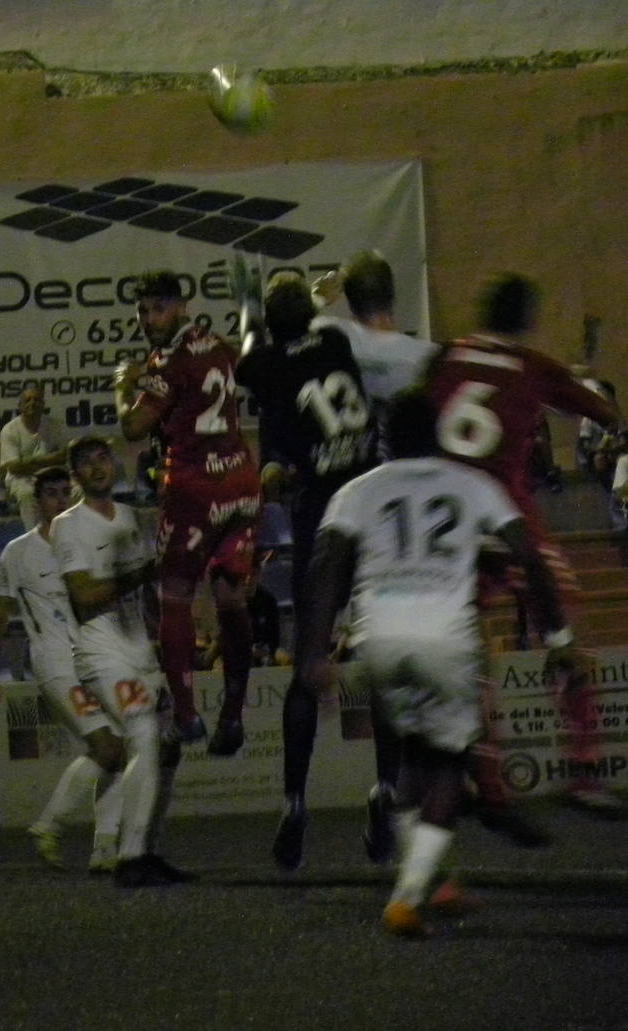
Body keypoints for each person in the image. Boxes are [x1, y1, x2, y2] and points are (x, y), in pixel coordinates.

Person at [296, 390, 590, 937]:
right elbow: (529, 557)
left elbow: (326, 567)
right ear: (438, 435)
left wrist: (313, 651)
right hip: (445, 637)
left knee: (413, 757)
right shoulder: (473, 484)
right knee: (450, 765)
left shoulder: (357, 491)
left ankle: (431, 883)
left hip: (379, 638)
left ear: (383, 440)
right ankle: (406, 898)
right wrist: (559, 636)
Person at [423, 272, 621, 817]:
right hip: (510, 523)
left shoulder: (444, 357)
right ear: (526, 320)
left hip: (451, 529)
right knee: (565, 627)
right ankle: (583, 769)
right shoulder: (532, 366)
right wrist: (577, 391)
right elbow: (604, 413)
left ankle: (488, 780)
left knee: (470, 651)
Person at [234, 270, 386, 870]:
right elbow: (306, 328)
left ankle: (295, 799)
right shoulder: (336, 342)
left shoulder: (266, 364)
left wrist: (248, 306)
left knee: (307, 666)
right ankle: (387, 787)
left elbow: (253, 353)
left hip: (324, 519)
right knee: (382, 662)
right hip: (373, 510)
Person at [114, 269, 261, 758]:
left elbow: (134, 427)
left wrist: (122, 386)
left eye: (158, 308)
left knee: (174, 595)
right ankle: (234, 715)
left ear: (180, 307)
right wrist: (252, 310)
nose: (147, 319)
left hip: (196, 488)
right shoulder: (213, 342)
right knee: (231, 600)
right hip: (241, 482)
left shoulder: (168, 360)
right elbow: (246, 356)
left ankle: (185, 716)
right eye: (141, 310)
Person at [51, 436, 193, 888]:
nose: (97, 468)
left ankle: (147, 848)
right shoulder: (68, 525)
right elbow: (84, 595)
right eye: (86, 463)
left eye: (103, 459)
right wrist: (142, 573)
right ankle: (128, 855)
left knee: (168, 744)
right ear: (75, 475)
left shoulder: (131, 518)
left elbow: (150, 591)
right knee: (143, 730)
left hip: (140, 650)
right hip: (102, 653)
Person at [0, 465, 124, 874]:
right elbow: (0, 614)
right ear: (38, 502)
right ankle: (49, 826)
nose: (61, 501)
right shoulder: (19, 552)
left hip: (93, 659)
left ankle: (104, 849)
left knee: (121, 749)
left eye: (66, 492)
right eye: (52, 494)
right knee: (107, 746)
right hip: (56, 665)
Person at [311, 251, 441, 458]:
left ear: (347, 299)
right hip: (403, 465)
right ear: (392, 296)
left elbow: (289, 327)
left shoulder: (327, 334)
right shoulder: (427, 357)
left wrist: (316, 298)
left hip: (349, 463)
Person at [0, 385, 68, 528]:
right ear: (20, 405)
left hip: (52, 476)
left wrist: (32, 462)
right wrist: (49, 459)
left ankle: (70, 534)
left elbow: (64, 457)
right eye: (28, 400)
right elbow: (14, 467)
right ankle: (34, 535)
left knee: (77, 489)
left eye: (37, 400)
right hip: (21, 479)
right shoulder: (9, 430)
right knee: (28, 493)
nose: (32, 403)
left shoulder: (55, 425)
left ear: (43, 404)